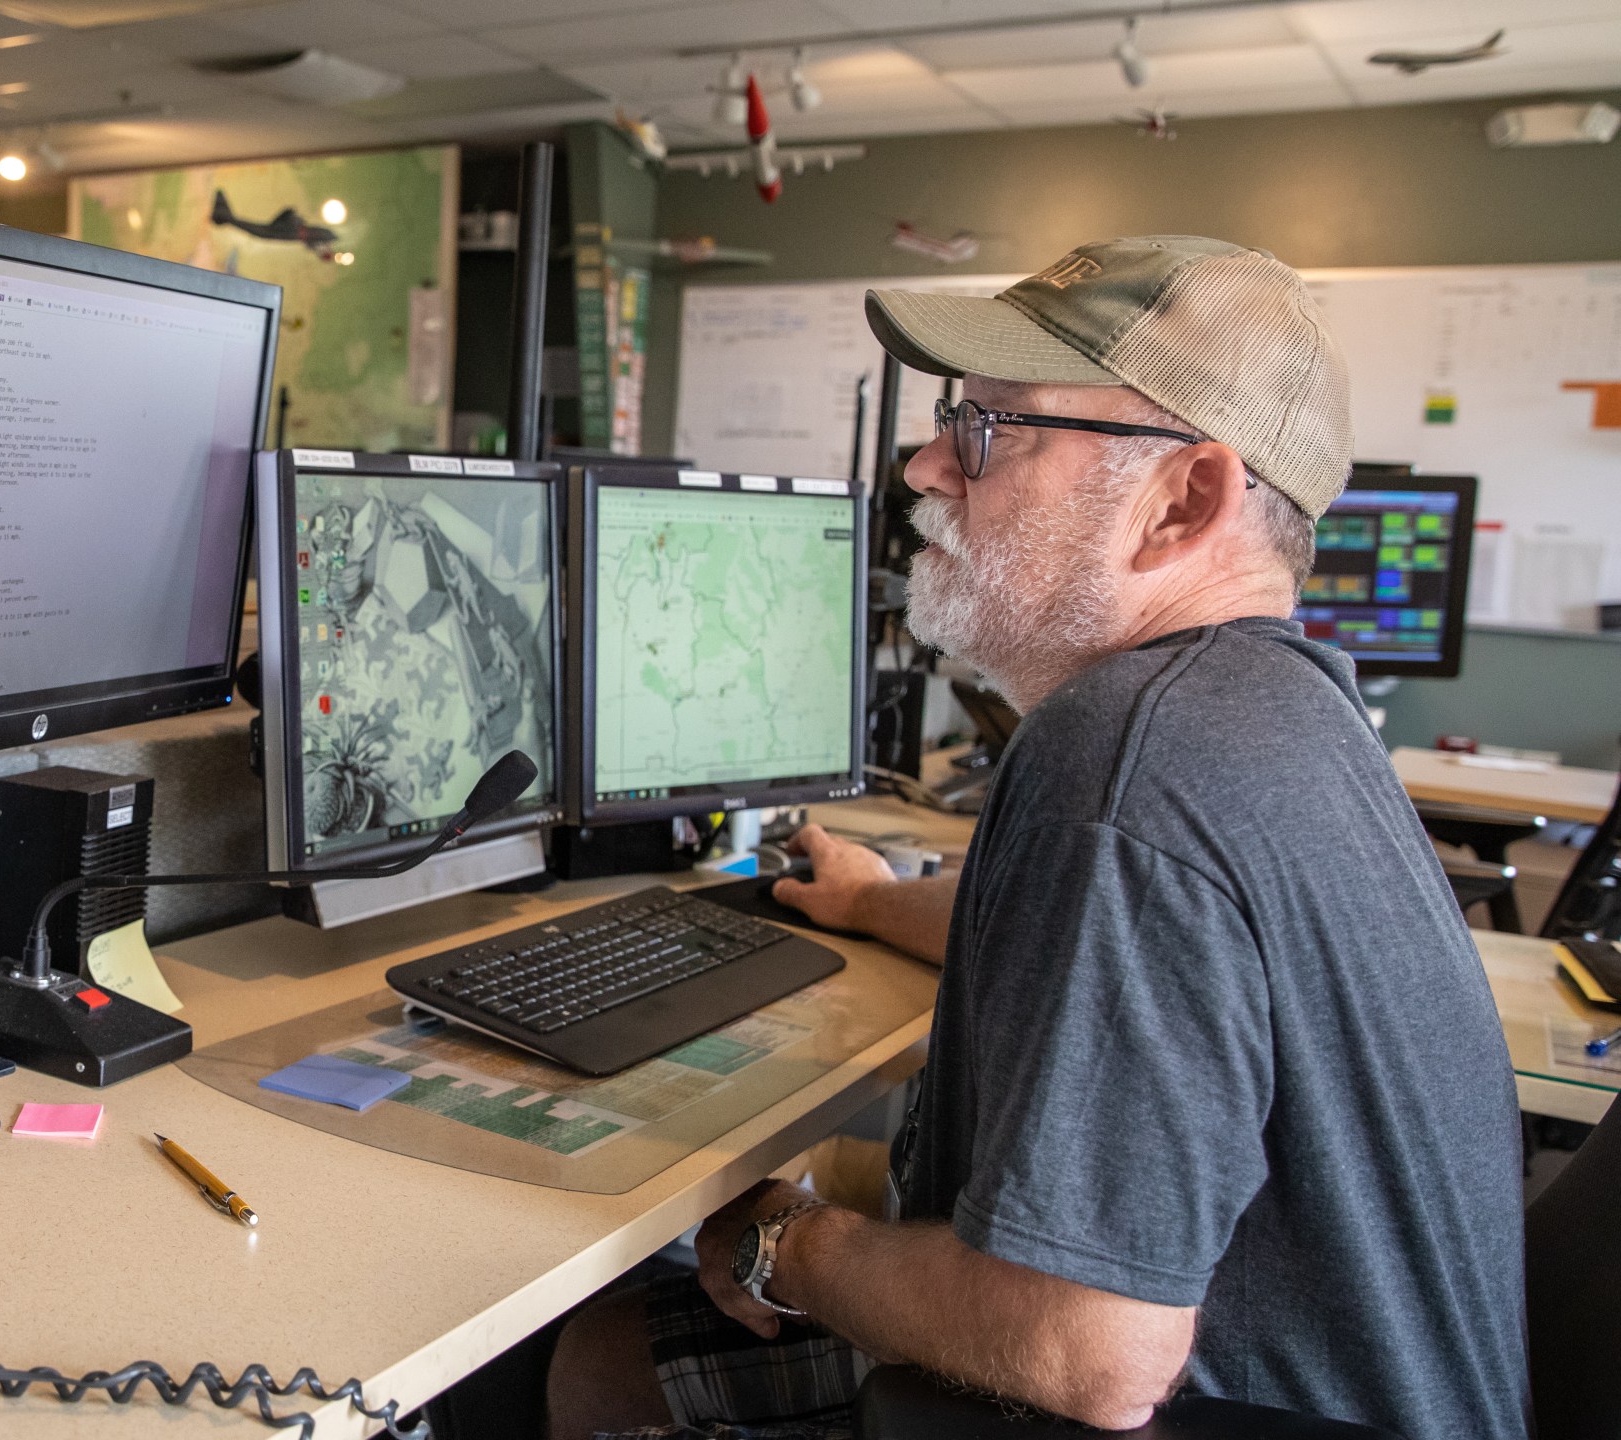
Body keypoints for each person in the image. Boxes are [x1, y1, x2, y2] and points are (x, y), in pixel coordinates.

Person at [546, 236, 1526, 1440]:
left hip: (1174, 1401)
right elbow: (1147, 962)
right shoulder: (1280, 711)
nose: (923, 466)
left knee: (606, 1353)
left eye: (990, 431)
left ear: (1184, 500)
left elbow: (1085, 1352)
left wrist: (784, 1247)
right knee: (611, 1354)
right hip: (1335, 1394)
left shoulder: (1126, 762)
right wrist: (868, 902)